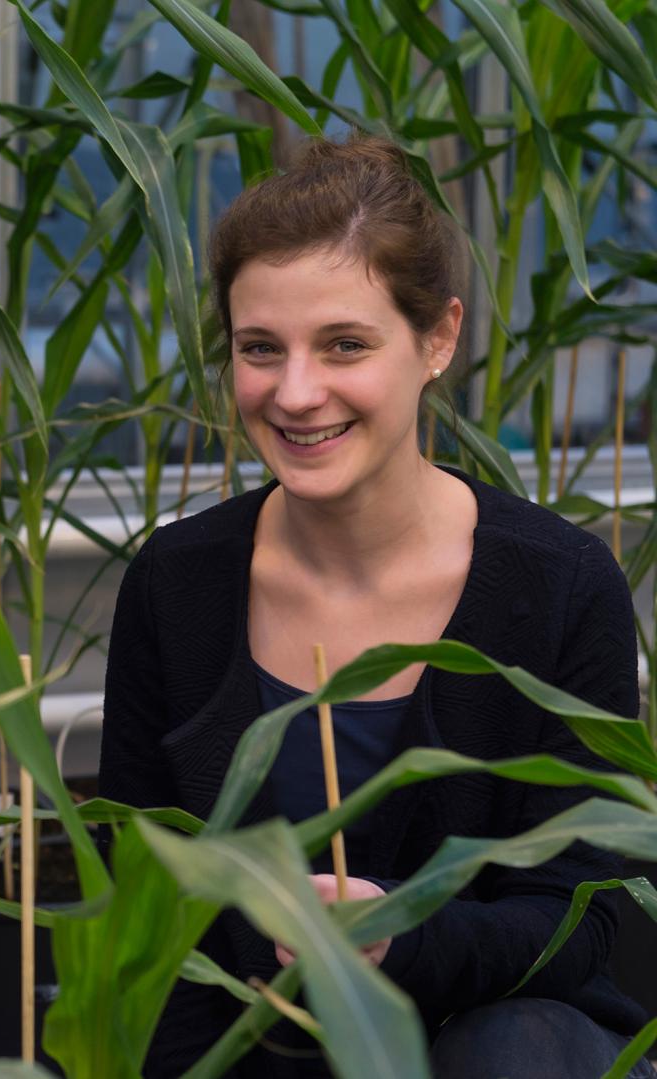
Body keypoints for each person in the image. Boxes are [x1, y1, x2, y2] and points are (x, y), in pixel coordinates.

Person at [100, 137, 652, 1078]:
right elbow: (152, 904)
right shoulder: (176, 583)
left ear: (437, 338)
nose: (296, 392)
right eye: (259, 349)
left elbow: (580, 912)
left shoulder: (555, 585)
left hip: (498, 1048)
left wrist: (401, 936)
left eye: (345, 344)